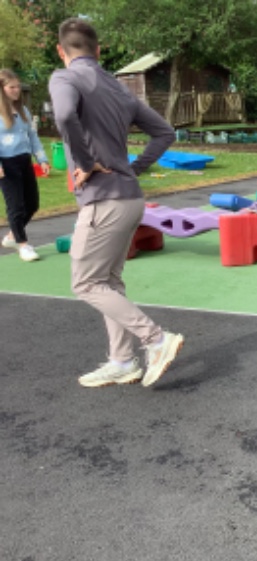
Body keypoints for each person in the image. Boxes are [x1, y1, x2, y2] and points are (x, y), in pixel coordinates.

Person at [49, 18, 184, 388]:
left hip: (103, 202)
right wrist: (133, 169)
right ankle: (122, 361)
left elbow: (64, 115)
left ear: (61, 51)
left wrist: (86, 161)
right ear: (98, 50)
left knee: (86, 283)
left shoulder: (64, 78)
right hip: (129, 199)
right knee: (108, 281)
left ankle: (156, 340)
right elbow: (165, 133)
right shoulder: (119, 88)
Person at [0, 69, 51, 262]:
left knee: (32, 204)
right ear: (2, 89)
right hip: (6, 164)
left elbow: (33, 137)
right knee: (16, 206)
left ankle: (12, 236)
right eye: (11, 87)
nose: (16, 90)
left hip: (24, 161)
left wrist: (42, 159)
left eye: (18, 87)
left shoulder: (23, 111)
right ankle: (23, 245)